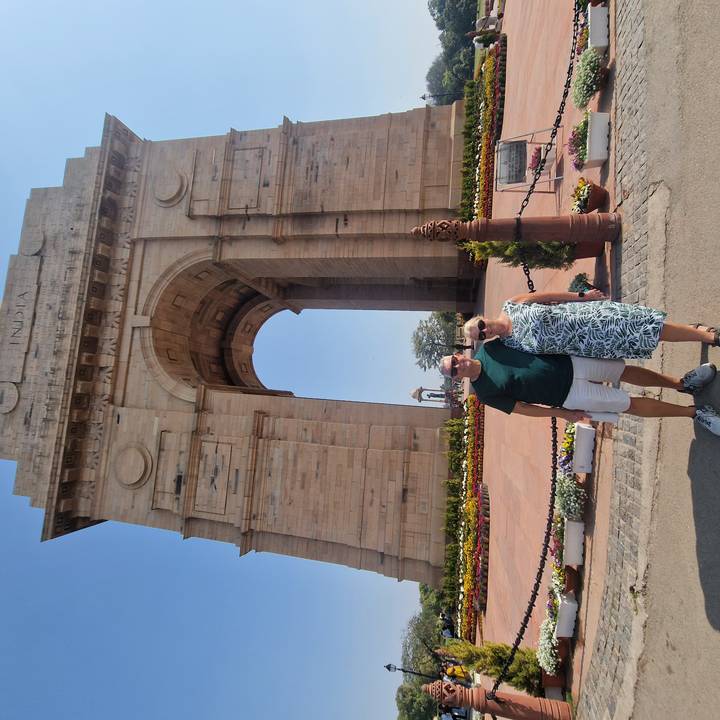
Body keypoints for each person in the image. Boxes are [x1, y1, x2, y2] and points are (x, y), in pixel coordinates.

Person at [439, 341, 720, 436]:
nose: (457, 365)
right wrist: (561, 414)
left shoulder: (490, 348)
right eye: (453, 369)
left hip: (570, 363)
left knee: (626, 371)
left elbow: (526, 339)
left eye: (454, 360)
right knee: (627, 403)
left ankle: (683, 384)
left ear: (458, 354)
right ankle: (693, 412)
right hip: (567, 396)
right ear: (455, 378)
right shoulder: (485, 394)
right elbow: (522, 409)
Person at [463, 289, 719, 360]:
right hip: (590, 345)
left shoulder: (513, 305)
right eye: (482, 335)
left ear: (482, 317)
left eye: (481, 325)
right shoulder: (511, 345)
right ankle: (694, 331)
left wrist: (581, 297)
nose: (486, 331)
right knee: (644, 336)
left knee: (646, 328)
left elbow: (548, 296)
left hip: (590, 318)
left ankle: (704, 336)